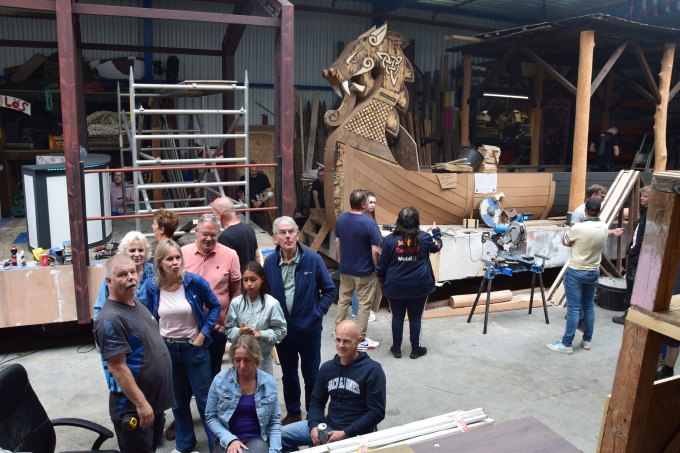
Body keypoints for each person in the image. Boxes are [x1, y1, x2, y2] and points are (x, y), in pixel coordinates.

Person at [139, 240, 220, 453]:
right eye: (169, 259)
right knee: (177, 401)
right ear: (159, 263)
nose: (175, 263)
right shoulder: (151, 287)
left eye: (178, 258)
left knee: (206, 401)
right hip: (167, 351)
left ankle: (216, 446)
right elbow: (144, 316)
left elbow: (215, 306)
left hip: (194, 348)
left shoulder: (194, 282)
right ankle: (185, 443)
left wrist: (203, 334)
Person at [93, 255, 174, 453]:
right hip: (134, 409)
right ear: (109, 282)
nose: (131, 277)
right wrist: (141, 404)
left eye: (133, 272)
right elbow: (117, 368)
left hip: (152, 404)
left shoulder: (136, 303)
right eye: (122, 274)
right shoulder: (110, 319)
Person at [263, 216, 337, 426]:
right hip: (283, 332)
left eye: (291, 231)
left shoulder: (312, 260)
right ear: (275, 238)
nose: (288, 236)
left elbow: (330, 290)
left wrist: (316, 313)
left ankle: (314, 415)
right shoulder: (270, 262)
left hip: (309, 331)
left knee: (312, 376)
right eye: (282, 233)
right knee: (288, 375)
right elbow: (266, 292)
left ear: (297, 234)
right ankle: (294, 412)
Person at [280, 320, 386, 452]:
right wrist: (314, 426)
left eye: (346, 341)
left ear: (358, 340)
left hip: (356, 433)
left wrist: (345, 433)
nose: (341, 345)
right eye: (338, 340)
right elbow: (316, 401)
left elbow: (377, 412)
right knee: (277, 437)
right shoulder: (327, 368)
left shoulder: (372, 370)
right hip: (329, 427)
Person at [376, 207, 442, 359]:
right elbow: (437, 246)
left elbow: (382, 265)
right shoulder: (425, 238)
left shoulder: (389, 240)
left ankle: (396, 349)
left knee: (397, 317)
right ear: (416, 221)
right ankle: (415, 349)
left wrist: (382, 281)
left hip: (395, 286)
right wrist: (436, 232)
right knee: (416, 318)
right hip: (419, 286)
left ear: (398, 220)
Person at [182, 214, 242, 378]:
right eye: (204, 234)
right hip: (188, 329)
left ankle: (212, 402)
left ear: (219, 234)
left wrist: (226, 324)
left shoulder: (230, 255)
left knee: (213, 372)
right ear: (196, 232)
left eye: (213, 235)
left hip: (217, 328)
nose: (208, 238)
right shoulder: (182, 254)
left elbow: (236, 291)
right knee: (188, 375)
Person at [547, 198, 608, 354]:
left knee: (573, 309)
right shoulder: (604, 226)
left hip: (576, 271)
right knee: (588, 307)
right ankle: (587, 339)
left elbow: (565, 242)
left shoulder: (579, 228)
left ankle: (567, 344)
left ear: (585, 211)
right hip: (593, 271)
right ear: (599, 211)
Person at [206, 335, 282, 453]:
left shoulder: (269, 382)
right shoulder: (220, 380)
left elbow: (274, 422)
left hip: (257, 438)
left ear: (256, 359)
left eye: (247, 360)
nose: (241, 365)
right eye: (237, 360)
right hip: (228, 438)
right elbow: (211, 417)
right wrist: (229, 439)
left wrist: (275, 450)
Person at [568, 185, 624, 332]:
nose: (603, 199)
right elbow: (576, 234)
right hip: (589, 266)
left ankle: (568, 340)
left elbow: (569, 239)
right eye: (602, 196)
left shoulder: (596, 224)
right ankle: (587, 337)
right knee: (587, 306)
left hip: (580, 266)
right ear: (593, 196)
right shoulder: (582, 215)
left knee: (576, 307)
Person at [335, 189, 381, 350]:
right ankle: (359, 339)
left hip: (346, 268)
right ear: (363, 205)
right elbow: (375, 250)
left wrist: (340, 259)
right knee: (364, 305)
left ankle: (338, 332)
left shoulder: (341, 219)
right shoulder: (369, 223)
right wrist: (377, 268)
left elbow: (338, 241)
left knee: (343, 300)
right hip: (364, 271)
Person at [226, 261, 287, 376]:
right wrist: (239, 332)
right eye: (245, 280)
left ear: (262, 279)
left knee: (264, 390)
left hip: (263, 357)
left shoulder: (272, 304)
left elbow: (281, 331)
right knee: (242, 391)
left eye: (253, 279)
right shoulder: (236, 303)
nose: (249, 284)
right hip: (241, 359)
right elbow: (229, 330)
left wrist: (261, 334)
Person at [93, 231, 155, 320]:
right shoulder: (113, 272)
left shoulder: (153, 271)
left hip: (146, 325)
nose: (137, 254)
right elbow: (100, 306)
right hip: (121, 324)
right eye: (132, 250)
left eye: (141, 250)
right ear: (124, 252)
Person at [612, 186, 651, 325]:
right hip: (637, 254)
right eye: (642, 196)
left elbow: (642, 236)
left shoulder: (649, 215)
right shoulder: (645, 213)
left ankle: (628, 315)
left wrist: (633, 251)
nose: (642, 198)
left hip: (638, 256)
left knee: (633, 285)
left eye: (646, 196)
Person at [351, 192, 379, 323]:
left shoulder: (367, 218)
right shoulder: (363, 219)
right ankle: (358, 312)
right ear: (364, 203)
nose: (372, 205)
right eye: (370, 202)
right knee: (360, 286)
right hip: (361, 258)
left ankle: (356, 311)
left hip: (357, 257)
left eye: (374, 202)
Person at [212, 196, 260, 265]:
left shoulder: (225, 237)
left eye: (214, 214)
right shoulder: (249, 228)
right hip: (251, 274)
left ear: (219, 214)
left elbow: (224, 266)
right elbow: (257, 257)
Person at [238, 160, 273, 230]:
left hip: (260, 210)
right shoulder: (243, 178)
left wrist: (261, 202)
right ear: (248, 170)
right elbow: (238, 192)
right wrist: (242, 197)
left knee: (260, 229)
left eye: (255, 170)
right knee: (249, 229)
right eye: (252, 171)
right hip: (248, 210)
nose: (254, 173)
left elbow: (270, 192)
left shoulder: (263, 177)